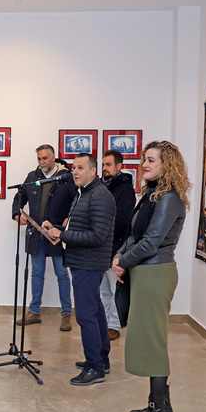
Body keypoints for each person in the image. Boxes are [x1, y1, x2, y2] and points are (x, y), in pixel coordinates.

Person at [112, 141, 191, 412]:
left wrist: (123, 262)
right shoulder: (151, 195)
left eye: (151, 160)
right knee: (148, 339)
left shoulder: (169, 198)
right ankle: (162, 406)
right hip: (145, 271)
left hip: (155, 273)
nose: (145, 164)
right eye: (145, 159)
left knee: (152, 343)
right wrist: (121, 257)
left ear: (166, 165)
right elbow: (135, 235)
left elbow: (152, 241)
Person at [45, 153, 115, 386]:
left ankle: (95, 367)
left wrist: (61, 234)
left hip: (89, 263)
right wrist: (55, 228)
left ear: (93, 171)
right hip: (81, 261)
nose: (74, 171)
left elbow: (97, 236)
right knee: (95, 311)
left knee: (86, 316)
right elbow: (78, 226)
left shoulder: (100, 196)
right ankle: (101, 360)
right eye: (73, 167)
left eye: (80, 168)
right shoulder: (83, 193)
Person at [11, 144, 76, 330]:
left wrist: (68, 219)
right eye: (39, 159)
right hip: (35, 233)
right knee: (36, 273)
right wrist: (17, 213)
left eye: (45, 158)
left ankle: (66, 314)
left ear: (53, 157)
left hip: (56, 234)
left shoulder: (66, 178)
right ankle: (34, 312)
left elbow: (76, 201)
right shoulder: (32, 177)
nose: (42, 162)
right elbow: (19, 196)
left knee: (62, 274)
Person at [100, 150, 135, 341]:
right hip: (100, 248)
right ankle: (105, 323)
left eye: (108, 165)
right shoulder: (102, 186)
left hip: (116, 248)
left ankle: (114, 326)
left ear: (119, 166)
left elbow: (122, 219)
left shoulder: (125, 189)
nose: (104, 168)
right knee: (103, 291)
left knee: (115, 290)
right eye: (103, 164)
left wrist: (99, 227)